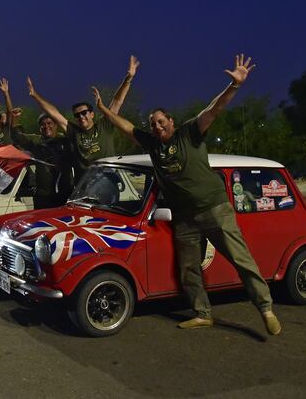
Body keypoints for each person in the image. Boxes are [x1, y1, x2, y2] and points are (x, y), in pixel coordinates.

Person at [99, 54, 282, 336]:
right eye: (153, 124)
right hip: (184, 217)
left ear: (171, 121)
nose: (157, 127)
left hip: (214, 208)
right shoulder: (152, 144)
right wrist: (103, 109)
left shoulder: (189, 133)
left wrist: (234, 86)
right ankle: (202, 313)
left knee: (241, 259)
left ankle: (266, 309)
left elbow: (214, 109)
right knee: (189, 270)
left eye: (161, 122)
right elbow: (124, 126)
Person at [27, 55, 139, 181]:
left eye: (84, 112)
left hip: (107, 182)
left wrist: (128, 79)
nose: (81, 116)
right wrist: (35, 95)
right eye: (77, 115)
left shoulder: (104, 125)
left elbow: (117, 101)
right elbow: (54, 113)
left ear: (92, 114)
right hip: (84, 187)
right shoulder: (73, 132)